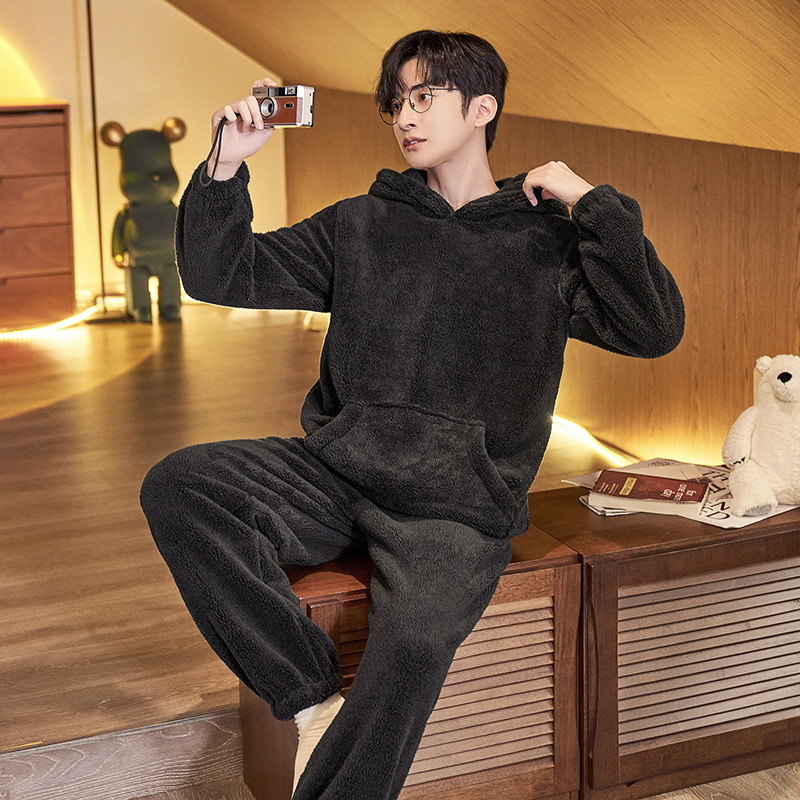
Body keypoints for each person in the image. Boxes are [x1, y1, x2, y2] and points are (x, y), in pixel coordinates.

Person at [140, 29, 684, 800]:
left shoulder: (545, 243)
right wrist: (226, 165)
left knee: (416, 643)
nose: (405, 116)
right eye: (396, 102)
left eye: (424, 96)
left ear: (482, 108)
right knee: (181, 485)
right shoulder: (361, 222)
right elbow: (222, 275)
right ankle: (307, 692)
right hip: (335, 471)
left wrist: (593, 204)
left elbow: (654, 328)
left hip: (455, 505)